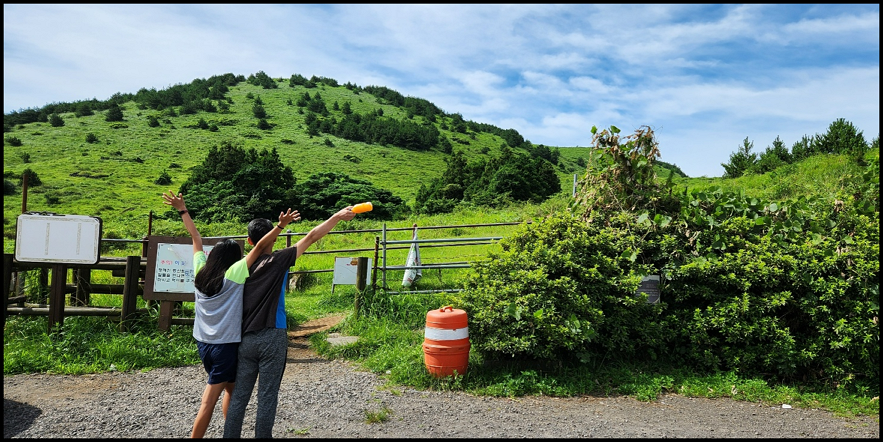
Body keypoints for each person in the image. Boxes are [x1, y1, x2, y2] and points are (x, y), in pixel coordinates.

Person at [162, 190, 300, 438]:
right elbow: (259, 247)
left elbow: (195, 237)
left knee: (233, 391)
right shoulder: (234, 274)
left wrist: (182, 210)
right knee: (209, 401)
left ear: (213, 257)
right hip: (224, 346)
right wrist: (280, 226)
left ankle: (231, 431)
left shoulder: (201, 271)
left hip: (202, 344)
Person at [223, 206, 358, 438]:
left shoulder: (239, 267)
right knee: (267, 396)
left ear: (248, 240)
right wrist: (335, 216)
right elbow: (312, 236)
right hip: (273, 336)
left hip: (244, 338)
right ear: (273, 238)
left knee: (239, 397)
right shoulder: (280, 260)